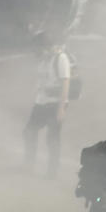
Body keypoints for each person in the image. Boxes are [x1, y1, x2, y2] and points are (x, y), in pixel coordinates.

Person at [23, 30, 70, 178]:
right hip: (41, 102)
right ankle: (29, 164)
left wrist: (61, 108)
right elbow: (41, 80)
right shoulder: (44, 59)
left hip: (54, 104)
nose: (34, 51)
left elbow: (65, 82)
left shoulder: (60, 58)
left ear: (44, 46)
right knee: (29, 131)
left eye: (36, 47)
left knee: (52, 138)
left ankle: (52, 172)